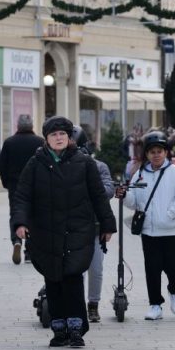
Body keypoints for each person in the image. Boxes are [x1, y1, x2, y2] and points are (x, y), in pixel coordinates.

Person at [11, 116, 116, 348]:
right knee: (53, 278)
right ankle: (58, 327)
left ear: (69, 138)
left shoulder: (84, 162)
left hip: (77, 230)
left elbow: (99, 196)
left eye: (62, 134)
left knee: (72, 277)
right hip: (46, 231)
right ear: (46, 139)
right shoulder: (36, 163)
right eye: (53, 135)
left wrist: (107, 225)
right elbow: (22, 196)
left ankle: (76, 327)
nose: (58, 138)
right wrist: (20, 223)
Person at [117, 129, 175, 321]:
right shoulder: (140, 174)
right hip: (149, 231)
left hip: (173, 230)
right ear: (147, 154)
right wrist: (125, 195)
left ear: (166, 152)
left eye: (160, 151)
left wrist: (169, 215)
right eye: (152, 152)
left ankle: (174, 292)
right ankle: (155, 304)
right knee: (152, 268)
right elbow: (134, 200)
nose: (156, 155)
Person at [75, 127, 114, 323]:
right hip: (72, 226)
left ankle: (93, 304)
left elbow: (108, 189)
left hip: (96, 225)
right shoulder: (63, 166)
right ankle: (76, 304)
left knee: (95, 267)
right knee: (75, 269)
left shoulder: (99, 166)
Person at [0, 114, 44, 265]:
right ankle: (29, 251)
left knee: (16, 213)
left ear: (17, 126)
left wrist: (6, 182)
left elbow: (2, 165)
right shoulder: (40, 142)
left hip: (15, 185)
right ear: (31, 126)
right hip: (35, 185)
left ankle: (16, 239)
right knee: (33, 215)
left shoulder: (9, 142)